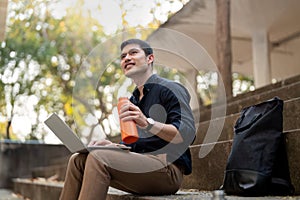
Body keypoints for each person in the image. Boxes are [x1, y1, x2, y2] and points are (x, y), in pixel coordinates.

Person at [59, 39, 196, 200]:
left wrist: (148, 123)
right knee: (77, 160)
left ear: (149, 58)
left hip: (167, 170)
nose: (127, 58)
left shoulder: (170, 88)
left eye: (133, 53)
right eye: (123, 56)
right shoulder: (133, 100)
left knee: (99, 158)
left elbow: (187, 135)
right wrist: (111, 146)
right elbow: (134, 146)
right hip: (141, 165)